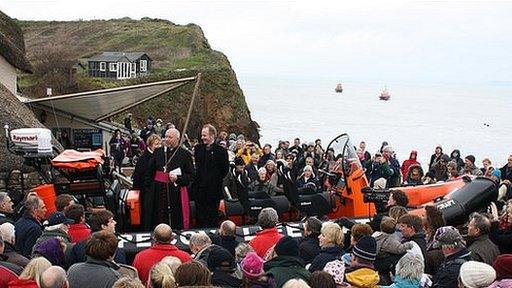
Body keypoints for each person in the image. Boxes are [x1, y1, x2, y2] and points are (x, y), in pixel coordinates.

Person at [146, 128, 194, 230]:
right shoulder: (158, 152)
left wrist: (178, 178)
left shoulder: (185, 154)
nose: (167, 139)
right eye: (166, 136)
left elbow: (191, 176)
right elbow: (149, 172)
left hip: (176, 193)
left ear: (178, 139)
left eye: (170, 137)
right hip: (158, 193)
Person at [194, 124, 229, 229]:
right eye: (202, 135)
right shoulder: (198, 149)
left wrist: (214, 179)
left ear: (212, 135)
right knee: (200, 216)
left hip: (214, 190)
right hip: (200, 190)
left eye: (204, 135)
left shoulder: (221, 151)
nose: (202, 137)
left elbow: (225, 170)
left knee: (212, 217)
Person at [132, 134, 161, 227]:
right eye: (156, 144)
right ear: (150, 145)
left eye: (160, 144)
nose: (159, 146)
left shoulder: (157, 157)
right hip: (146, 192)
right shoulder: (143, 159)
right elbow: (138, 177)